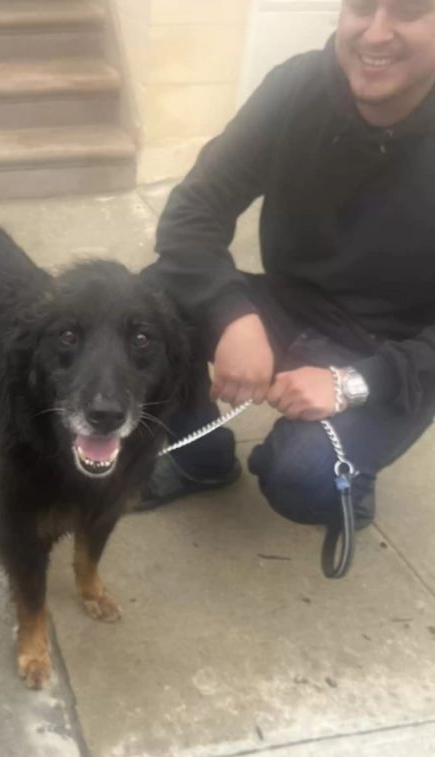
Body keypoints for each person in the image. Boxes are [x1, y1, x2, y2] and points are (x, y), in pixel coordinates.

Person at [138, 0, 435, 534]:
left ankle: (347, 479)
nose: (376, 32)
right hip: (290, 304)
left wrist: (353, 384)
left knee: (304, 476)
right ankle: (200, 461)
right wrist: (230, 312)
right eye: (362, 7)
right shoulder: (297, 87)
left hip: (394, 354)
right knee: (142, 307)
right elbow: (193, 211)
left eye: (409, 12)